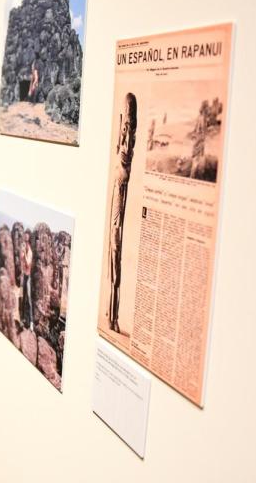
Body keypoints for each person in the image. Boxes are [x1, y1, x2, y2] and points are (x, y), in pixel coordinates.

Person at [107, 92, 138, 334]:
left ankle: (114, 317)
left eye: (132, 134)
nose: (128, 143)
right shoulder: (120, 163)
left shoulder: (124, 161)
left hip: (119, 217)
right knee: (113, 263)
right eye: (126, 132)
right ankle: (111, 316)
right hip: (115, 219)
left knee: (116, 266)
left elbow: (124, 167)